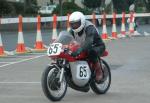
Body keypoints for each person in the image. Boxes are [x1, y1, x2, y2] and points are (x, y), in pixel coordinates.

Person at [69, 11, 106, 83]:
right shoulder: (72, 30)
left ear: (82, 21)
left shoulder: (89, 27)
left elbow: (89, 42)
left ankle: (99, 71)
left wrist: (79, 50)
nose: (74, 26)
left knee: (91, 52)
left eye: (76, 23)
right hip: (83, 47)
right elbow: (67, 38)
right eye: (72, 24)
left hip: (97, 46)